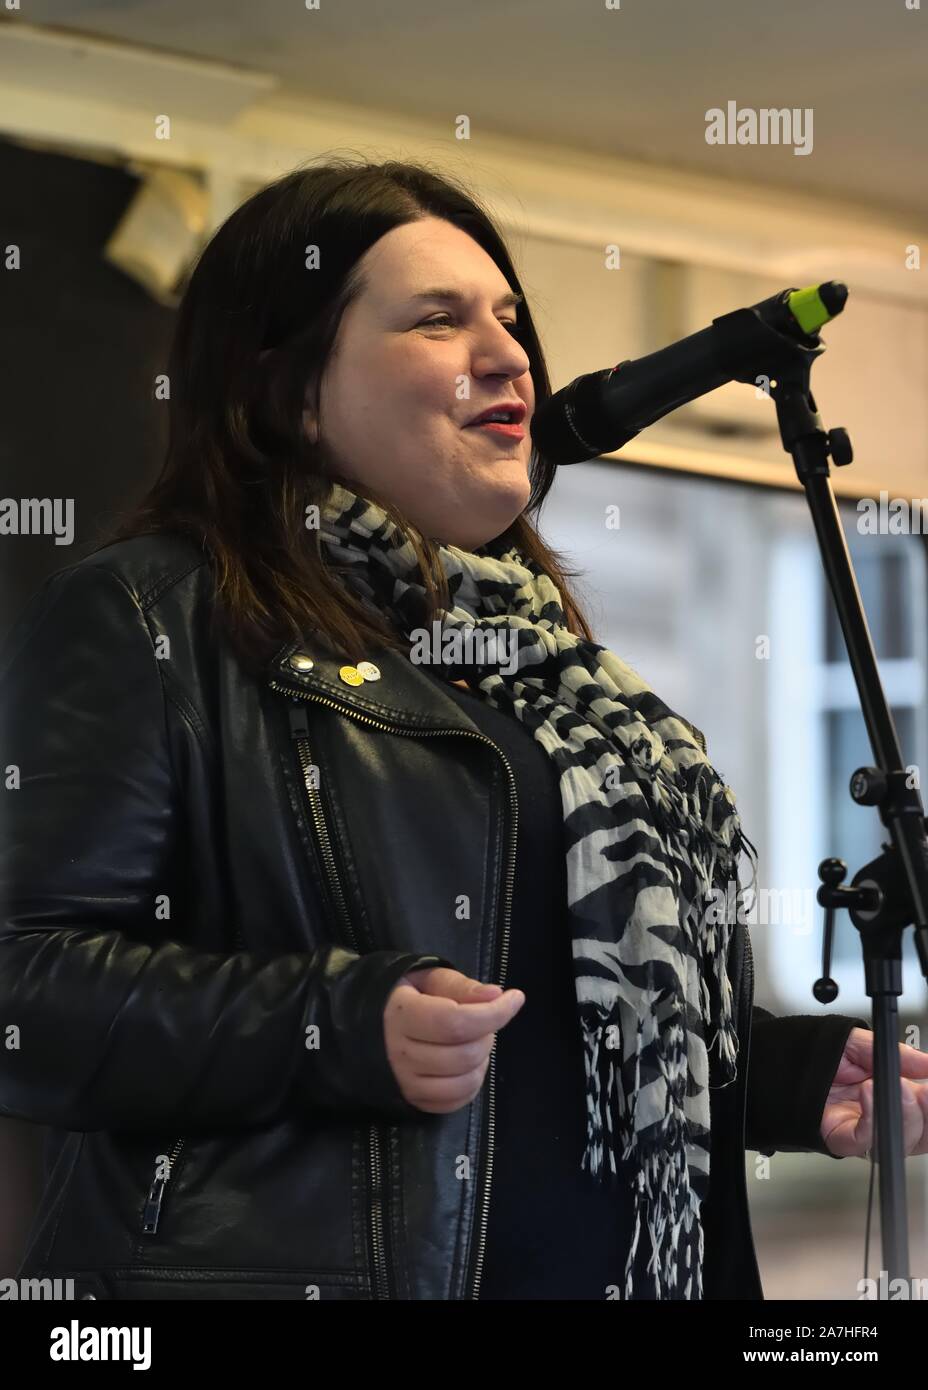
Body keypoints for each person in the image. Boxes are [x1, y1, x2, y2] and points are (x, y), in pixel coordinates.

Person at [2, 157, 925, 1302]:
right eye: (438, 319)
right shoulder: (156, 616)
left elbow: (544, 1026)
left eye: (509, 319)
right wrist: (331, 1022)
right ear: (286, 387)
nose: (508, 356)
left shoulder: (553, 669)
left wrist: (770, 1078)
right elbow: (24, 986)